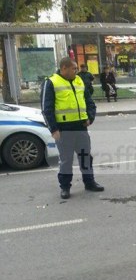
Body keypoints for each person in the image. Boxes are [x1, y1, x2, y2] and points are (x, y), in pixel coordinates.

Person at [41, 57, 104, 199]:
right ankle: (65, 187)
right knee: (66, 160)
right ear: (64, 68)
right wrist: (53, 129)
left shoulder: (78, 80)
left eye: (76, 68)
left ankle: (89, 182)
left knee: (85, 157)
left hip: (81, 127)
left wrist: (90, 117)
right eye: (73, 68)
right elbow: (46, 109)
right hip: (63, 130)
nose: (76, 71)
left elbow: (89, 102)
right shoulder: (51, 82)